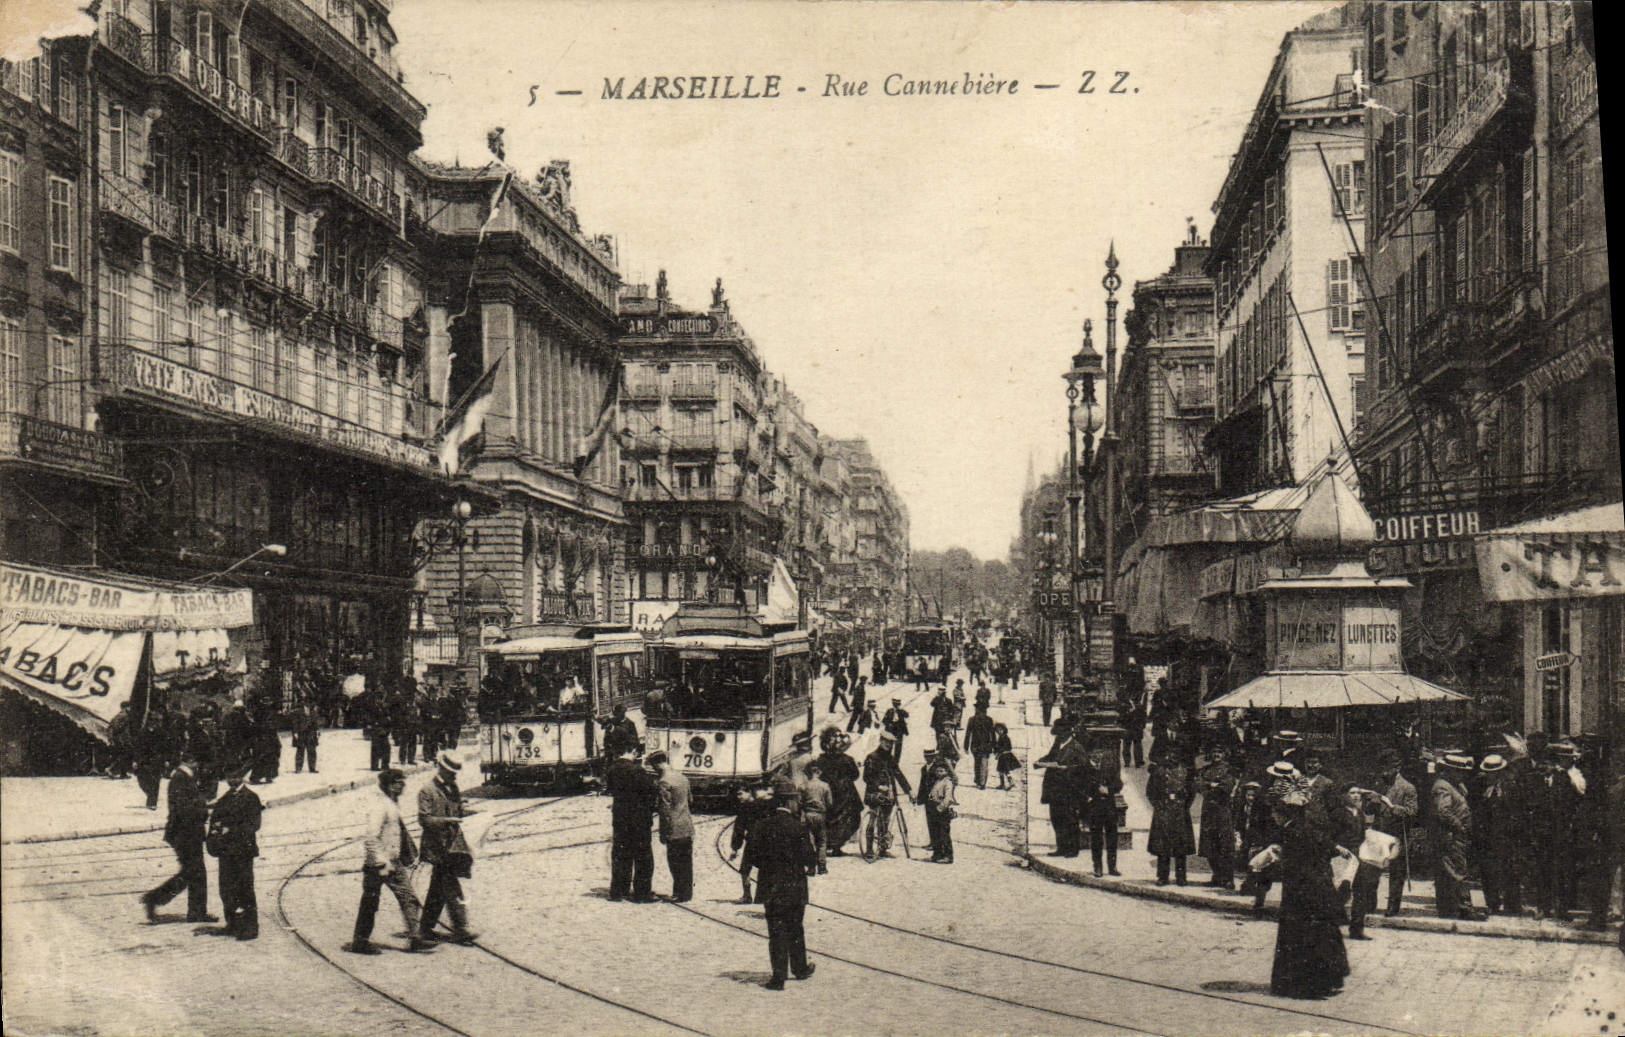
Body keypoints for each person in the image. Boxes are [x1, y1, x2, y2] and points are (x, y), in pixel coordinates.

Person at [1269, 791, 1350, 999]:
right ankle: (1328, 981)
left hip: (1302, 893)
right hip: (1319, 890)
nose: (1274, 817)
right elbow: (1326, 848)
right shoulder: (1309, 828)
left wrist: (1275, 861)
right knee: (1321, 934)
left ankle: (1304, 985)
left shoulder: (1292, 832)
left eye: (1276, 813)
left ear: (1283, 814)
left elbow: (1295, 865)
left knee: (1301, 935)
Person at [347, 769, 433, 954]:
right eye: (400, 783)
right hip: (378, 865)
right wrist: (381, 862)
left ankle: (415, 937)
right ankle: (360, 942)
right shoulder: (380, 806)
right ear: (391, 785)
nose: (404, 786)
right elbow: (371, 837)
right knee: (371, 903)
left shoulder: (391, 803)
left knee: (407, 898)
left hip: (392, 862)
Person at [742, 781, 818, 990]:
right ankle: (800, 969)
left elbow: (753, 856)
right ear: (790, 801)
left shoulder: (762, 825)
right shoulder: (798, 826)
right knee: (795, 928)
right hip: (794, 886)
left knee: (776, 932)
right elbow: (810, 860)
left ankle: (778, 978)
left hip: (771, 885)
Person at [142, 754, 216, 924]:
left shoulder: (184, 777)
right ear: (191, 761)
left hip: (187, 833)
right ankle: (155, 899)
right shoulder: (180, 779)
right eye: (197, 762)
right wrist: (204, 808)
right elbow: (184, 809)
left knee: (192, 873)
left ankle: (194, 911)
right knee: (194, 873)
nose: (198, 766)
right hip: (185, 833)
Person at [418, 751, 479, 942]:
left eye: (455, 773)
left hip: (452, 846)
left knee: (438, 888)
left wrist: (471, 812)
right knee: (450, 885)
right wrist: (446, 820)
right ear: (441, 769)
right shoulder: (427, 791)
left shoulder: (453, 788)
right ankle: (461, 928)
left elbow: (458, 809)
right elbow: (424, 819)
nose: (454, 776)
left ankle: (425, 928)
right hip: (436, 847)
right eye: (451, 772)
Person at [207, 763, 262, 940]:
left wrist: (230, 830)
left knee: (245, 889)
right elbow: (215, 820)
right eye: (229, 778)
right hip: (226, 852)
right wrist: (214, 834)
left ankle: (250, 927)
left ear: (241, 777)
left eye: (235, 777)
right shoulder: (224, 799)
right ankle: (232, 924)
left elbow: (254, 825)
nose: (232, 781)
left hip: (243, 851)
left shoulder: (251, 797)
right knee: (227, 889)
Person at [1363, 748, 1418, 918]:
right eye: (1382, 768)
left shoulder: (1407, 788)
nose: (1384, 772)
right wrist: (1371, 802)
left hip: (1397, 835)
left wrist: (1392, 807)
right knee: (1372, 870)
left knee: (1396, 873)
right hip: (1379, 833)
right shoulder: (1379, 785)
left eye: (1387, 768)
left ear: (1397, 768)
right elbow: (1368, 810)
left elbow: (1412, 812)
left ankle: (1392, 908)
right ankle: (1369, 905)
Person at [1430, 753, 1483, 921]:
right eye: (1459, 771)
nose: (1462, 775)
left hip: (1455, 836)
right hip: (1451, 836)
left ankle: (1450, 909)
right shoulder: (1443, 787)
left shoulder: (1454, 785)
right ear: (1449, 770)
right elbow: (1443, 811)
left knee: (1452, 871)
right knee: (1458, 870)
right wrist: (1459, 825)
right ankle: (1463, 908)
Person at [606, 744, 658, 903]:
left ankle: (618, 891)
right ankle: (642, 893)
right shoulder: (638, 771)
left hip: (620, 819)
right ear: (633, 751)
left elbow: (610, 789)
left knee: (620, 855)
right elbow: (651, 792)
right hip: (639, 820)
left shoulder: (612, 769)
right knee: (643, 857)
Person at [1474, 753, 1523, 917]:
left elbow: (1517, 812)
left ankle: (1512, 906)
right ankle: (1492, 903)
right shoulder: (1481, 787)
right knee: (1488, 871)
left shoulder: (1511, 787)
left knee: (1509, 871)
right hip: (1486, 837)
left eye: (1495, 772)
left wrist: (1512, 832)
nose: (1491, 775)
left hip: (1506, 836)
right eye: (1489, 772)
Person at [650, 751, 694, 902]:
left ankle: (678, 893)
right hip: (686, 825)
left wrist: (664, 832)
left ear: (657, 764)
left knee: (675, 862)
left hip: (674, 828)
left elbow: (665, 810)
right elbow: (690, 800)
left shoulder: (664, 782)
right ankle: (686, 893)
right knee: (686, 861)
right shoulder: (682, 778)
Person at [1147, 752, 1195, 886]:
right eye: (1169, 755)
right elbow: (1150, 792)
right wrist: (1159, 806)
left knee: (1181, 846)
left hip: (1180, 812)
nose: (1171, 757)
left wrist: (1184, 807)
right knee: (1163, 846)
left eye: (1175, 755)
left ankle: (1181, 877)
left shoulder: (1185, 772)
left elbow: (1192, 792)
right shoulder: (1159, 772)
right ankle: (1163, 876)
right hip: (1164, 811)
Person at [1036, 717, 1082, 858]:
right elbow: (1051, 756)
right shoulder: (1058, 743)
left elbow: (1082, 768)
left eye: (1060, 734)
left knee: (1070, 819)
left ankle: (1073, 849)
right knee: (1056, 819)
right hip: (1055, 789)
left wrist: (1065, 768)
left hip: (1069, 790)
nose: (1058, 736)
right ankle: (1061, 847)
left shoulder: (1076, 747)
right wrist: (1040, 762)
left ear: (1068, 733)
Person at [862, 732, 912, 857]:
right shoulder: (872, 757)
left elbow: (898, 774)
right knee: (872, 820)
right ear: (880, 741)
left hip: (888, 795)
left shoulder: (890, 758)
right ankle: (869, 849)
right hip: (875, 793)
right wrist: (878, 786)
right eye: (886, 742)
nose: (888, 745)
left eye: (891, 743)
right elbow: (866, 777)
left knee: (885, 820)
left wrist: (909, 790)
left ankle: (882, 849)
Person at [815, 729, 862, 857]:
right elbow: (855, 775)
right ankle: (836, 846)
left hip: (830, 792)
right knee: (848, 819)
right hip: (846, 793)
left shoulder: (821, 760)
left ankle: (829, 844)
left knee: (831, 818)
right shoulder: (846, 759)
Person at [1081, 743, 1123, 878]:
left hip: (1109, 805)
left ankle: (1112, 866)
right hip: (1094, 805)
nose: (1096, 759)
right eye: (1094, 757)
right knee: (1096, 837)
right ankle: (1097, 866)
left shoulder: (1110, 765)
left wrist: (1109, 789)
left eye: (1099, 756)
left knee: (1112, 836)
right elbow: (1081, 784)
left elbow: (1118, 784)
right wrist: (1091, 793)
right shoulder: (1085, 767)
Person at [1198, 755, 1240, 890]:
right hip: (1208, 810)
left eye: (1219, 752)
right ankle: (1216, 876)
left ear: (1224, 754)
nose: (1216, 755)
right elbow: (1198, 785)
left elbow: (1227, 787)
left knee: (1226, 845)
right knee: (1210, 844)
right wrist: (1212, 785)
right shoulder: (1205, 770)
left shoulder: (1230, 770)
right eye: (1214, 752)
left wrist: (1210, 786)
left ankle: (1228, 878)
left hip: (1223, 810)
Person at [732, 781, 774, 902]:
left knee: (745, 869)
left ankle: (747, 895)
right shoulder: (765, 805)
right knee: (765, 868)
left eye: (740, 794)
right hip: (767, 842)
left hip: (753, 842)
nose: (738, 797)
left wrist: (735, 848)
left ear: (749, 792)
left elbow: (739, 829)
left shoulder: (744, 807)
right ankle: (765, 896)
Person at [924, 757, 958, 864]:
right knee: (936, 833)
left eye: (942, 771)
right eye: (938, 771)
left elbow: (948, 798)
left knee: (944, 834)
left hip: (942, 811)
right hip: (934, 809)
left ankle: (948, 856)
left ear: (947, 771)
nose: (939, 773)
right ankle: (937, 854)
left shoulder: (948, 782)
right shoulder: (938, 781)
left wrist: (940, 808)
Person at [802, 762, 833, 874]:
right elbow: (830, 803)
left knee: (808, 842)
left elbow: (799, 802)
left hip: (807, 815)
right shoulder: (825, 786)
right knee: (822, 841)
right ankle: (822, 867)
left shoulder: (803, 786)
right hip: (820, 815)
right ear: (818, 772)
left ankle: (811, 868)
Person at [964, 704, 996, 790]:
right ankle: (979, 780)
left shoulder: (987, 720)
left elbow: (992, 733)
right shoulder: (973, 720)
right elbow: (968, 733)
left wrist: (994, 745)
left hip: (983, 746)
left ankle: (981, 782)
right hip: (978, 746)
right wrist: (966, 746)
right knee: (979, 763)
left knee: (982, 763)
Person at [292, 704, 320, 774]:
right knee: (300, 751)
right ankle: (298, 768)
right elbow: (295, 723)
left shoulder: (313, 712)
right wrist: (295, 732)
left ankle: (312, 768)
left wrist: (317, 731)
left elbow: (315, 723)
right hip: (301, 733)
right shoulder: (298, 712)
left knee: (312, 750)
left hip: (311, 733)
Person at [882, 699, 909, 764]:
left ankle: (896, 761)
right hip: (891, 730)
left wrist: (901, 709)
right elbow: (884, 721)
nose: (896, 706)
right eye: (895, 704)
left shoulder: (901, 711)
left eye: (898, 704)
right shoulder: (889, 711)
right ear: (893, 704)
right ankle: (888, 760)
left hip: (899, 729)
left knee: (898, 747)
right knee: (889, 745)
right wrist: (889, 724)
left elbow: (907, 715)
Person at [994, 722, 1019, 790]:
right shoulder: (1001, 737)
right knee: (1003, 771)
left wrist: (998, 752)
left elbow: (1007, 747)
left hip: (1005, 756)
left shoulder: (1005, 738)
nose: (999, 731)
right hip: (1003, 756)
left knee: (1003, 771)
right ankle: (1005, 784)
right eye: (997, 730)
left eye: (1000, 730)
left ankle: (1008, 783)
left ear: (1004, 730)